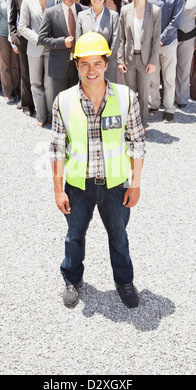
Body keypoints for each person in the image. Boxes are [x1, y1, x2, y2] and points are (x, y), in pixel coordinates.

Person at [49, 31, 146, 309]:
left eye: (97, 63)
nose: (91, 70)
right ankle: (71, 279)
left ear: (107, 63)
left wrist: (135, 184)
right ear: (76, 65)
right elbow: (57, 150)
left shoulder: (126, 97)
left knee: (119, 237)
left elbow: (137, 142)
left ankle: (124, 281)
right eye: (84, 64)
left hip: (116, 185)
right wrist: (58, 190)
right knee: (74, 236)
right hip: (78, 186)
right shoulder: (63, 102)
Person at [118, 0, 161, 128]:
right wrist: (120, 59)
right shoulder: (125, 10)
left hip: (145, 59)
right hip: (129, 58)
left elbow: (156, 38)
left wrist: (153, 61)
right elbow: (121, 37)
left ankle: (142, 123)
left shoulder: (155, 11)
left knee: (143, 94)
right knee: (129, 94)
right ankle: (130, 123)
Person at [18, 0, 60, 125]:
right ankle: (41, 116)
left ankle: (51, 114)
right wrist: (39, 39)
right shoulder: (27, 1)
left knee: (49, 83)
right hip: (34, 48)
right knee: (36, 83)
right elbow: (22, 27)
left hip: (51, 48)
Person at [147, 0, 185, 123]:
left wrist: (161, 38)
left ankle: (169, 108)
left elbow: (176, 21)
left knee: (169, 78)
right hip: (150, 43)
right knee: (152, 77)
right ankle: (154, 104)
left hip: (168, 43)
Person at [38, 0, 87, 101]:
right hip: (59, 66)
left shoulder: (85, 11)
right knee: (60, 101)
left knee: (78, 100)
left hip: (80, 65)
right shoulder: (51, 13)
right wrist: (62, 42)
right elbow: (42, 38)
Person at [76, 0, 120, 82]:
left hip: (107, 67)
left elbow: (115, 42)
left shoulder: (113, 16)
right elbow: (79, 41)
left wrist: (103, 62)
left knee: (108, 96)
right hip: (87, 68)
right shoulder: (81, 16)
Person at [9, 0, 35, 115]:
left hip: (38, 38)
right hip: (22, 40)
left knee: (38, 72)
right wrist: (13, 38)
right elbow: (12, 21)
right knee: (25, 72)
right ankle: (27, 105)